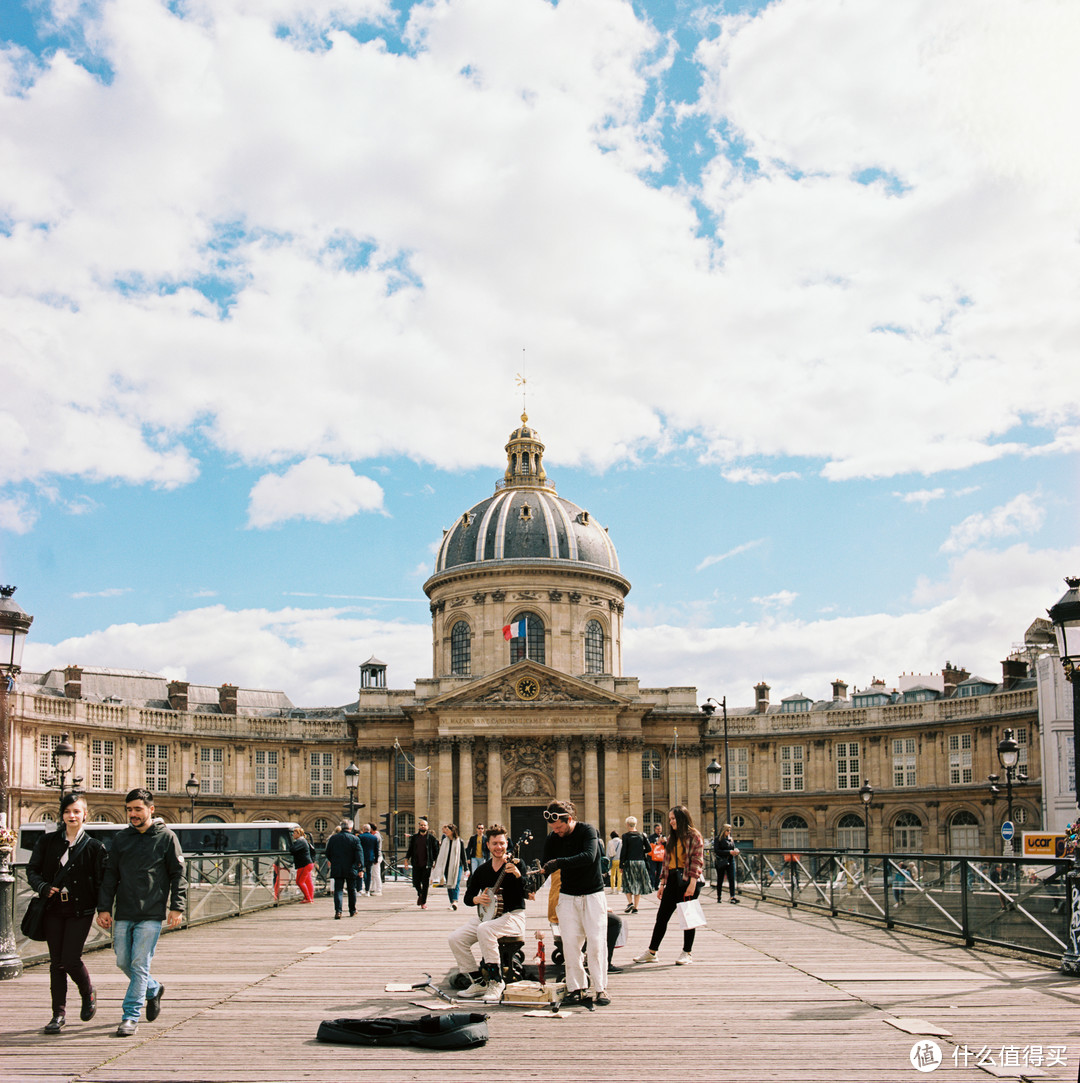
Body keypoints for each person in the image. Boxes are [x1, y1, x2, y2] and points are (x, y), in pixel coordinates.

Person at [96, 788, 185, 1037]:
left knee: (139, 962)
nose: (133, 814)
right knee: (123, 961)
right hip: (124, 910)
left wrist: (177, 907)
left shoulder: (167, 838)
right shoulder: (122, 839)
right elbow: (110, 875)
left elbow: (178, 875)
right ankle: (153, 989)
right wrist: (103, 908)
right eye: (129, 809)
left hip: (151, 912)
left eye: (138, 809)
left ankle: (129, 1016)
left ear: (151, 809)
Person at [27, 792, 107, 1034]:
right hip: (53, 907)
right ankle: (58, 1014)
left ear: (85, 815)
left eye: (76, 811)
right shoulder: (48, 842)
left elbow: (103, 882)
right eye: (67, 811)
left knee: (70, 959)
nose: (71, 815)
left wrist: (103, 910)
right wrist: (41, 887)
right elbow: (32, 870)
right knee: (56, 964)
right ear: (62, 815)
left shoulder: (94, 847)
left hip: (80, 909)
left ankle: (87, 992)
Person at [449, 824, 530, 1003]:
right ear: (488, 845)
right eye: (495, 843)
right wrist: (477, 900)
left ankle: (496, 981)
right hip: (488, 917)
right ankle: (478, 981)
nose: (498, 847)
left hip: (513, 916)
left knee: (485, 929)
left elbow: (528, 892)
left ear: (507, 844)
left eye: (502, 843)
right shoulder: (482, 870)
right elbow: (468, 898)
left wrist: (518, 875)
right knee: (456, 938)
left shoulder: (517, 864)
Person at [541, 798, 609, 1007]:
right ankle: (576, 988)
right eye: (554, 828)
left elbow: (588, 856)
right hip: (568, 896)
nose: (557, 832)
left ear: (569, 820)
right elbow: (545, 866)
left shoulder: (588, 831)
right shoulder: (554, 838)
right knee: (570, 944)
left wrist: (559, 863)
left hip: (592, 895)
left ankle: (600, 988)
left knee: (596, 942)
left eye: (559, 827)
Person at [634, 805, 704, 967]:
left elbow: (697, 860)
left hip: (687, 879)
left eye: (673, 818)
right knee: (662, 917)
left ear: (681, 818)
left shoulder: (693, 835)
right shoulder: (672, 837)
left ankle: (687, 952)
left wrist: (692, 883)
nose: (671, 822)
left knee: (688, 918)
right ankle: (652, 952)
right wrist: (662, 883)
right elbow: (667, 862)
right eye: (670, 819)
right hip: (672, 879)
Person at [324, 821, 362, 918]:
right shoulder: (355, 839)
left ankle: (338, 911)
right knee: (351, 889)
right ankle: (352, 910)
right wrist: (360, 868)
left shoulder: (333, 838)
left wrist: (334, 861)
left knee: (338, 890)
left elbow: (328, 852)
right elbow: (359, 855)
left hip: (337, 867)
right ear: (351, 827)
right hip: (351, 867)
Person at [620, 816, 651, 914]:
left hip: (629, 862)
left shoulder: (625, 836)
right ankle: (636, 907)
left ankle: (630, 903)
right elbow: (649, 849)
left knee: (627, 882)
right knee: (638, 883)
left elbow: (623, 851)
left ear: (627, 825)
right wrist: (641, 852)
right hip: (640, 862)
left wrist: (621, 864)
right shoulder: (642, 835)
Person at [432, 823, 468, 909]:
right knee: (449, 884)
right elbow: (441, 854)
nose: (446, 832)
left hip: (457, 865)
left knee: (456, 883)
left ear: (452, 831)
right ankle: (452, 902)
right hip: (446, 865)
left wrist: (466, 868)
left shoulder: (460, 841)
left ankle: (455, 901)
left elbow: (463, 855)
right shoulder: (445, 841)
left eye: (447, 830)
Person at [404, 818, 437, 909]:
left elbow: (435, 851)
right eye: (421, 825)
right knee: (415, 882)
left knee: (425, 884)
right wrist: (406, 859)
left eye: (424, 825)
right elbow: (410, 849)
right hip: (416, 863)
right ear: (419, 826)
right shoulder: (414, 837)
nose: (423, 826)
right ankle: (421, 894)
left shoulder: (431, 838)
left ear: (427, 827)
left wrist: (435, 861)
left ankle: (423, 902)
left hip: (427, 864)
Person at [714, 823, 740, 903]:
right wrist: (729, 852)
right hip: (721, 861)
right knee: (720, 879)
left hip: (730, 860)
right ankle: (719, 896)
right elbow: (717, 851)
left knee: (732, 878)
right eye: (727, 830)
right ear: (724, 831)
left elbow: (733, 847)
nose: (729, 832)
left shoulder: (730, 839)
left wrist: (736, 850)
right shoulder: (718, 839)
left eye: (730, 830)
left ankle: (732, 896)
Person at [289, 827, 316, 903]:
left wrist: (291, 844)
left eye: (294, 833)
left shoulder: (300, 841)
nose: (293, 835)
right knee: (308, 882)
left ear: (298, 834)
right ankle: (310, 897)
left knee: (299, 881)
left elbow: (292, 850)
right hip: (308, 863)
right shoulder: (304, 841)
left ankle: (308, 898)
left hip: (304, 864)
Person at [358, 824, 380, 897]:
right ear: (370, 830)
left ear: (363, 829)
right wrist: (376, 859)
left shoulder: (360, 837)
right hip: (370, 858)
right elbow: (376, 849)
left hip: (362, 858)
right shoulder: (374, 838)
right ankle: (367, 890)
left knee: (360, 872)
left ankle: (360, 889)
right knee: (369, 873)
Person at [647, 823, 665, 889]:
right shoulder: (651, 837)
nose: (659, 830)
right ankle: (651, 885)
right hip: (652, 857)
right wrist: (657, 842)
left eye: (660, 829)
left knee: (659, 872)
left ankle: (656, 885)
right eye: (658, 829)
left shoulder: (663, 836)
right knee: (652, 871)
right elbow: (649, 846)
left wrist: (664, 842)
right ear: (655, 829)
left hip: (660, 857)